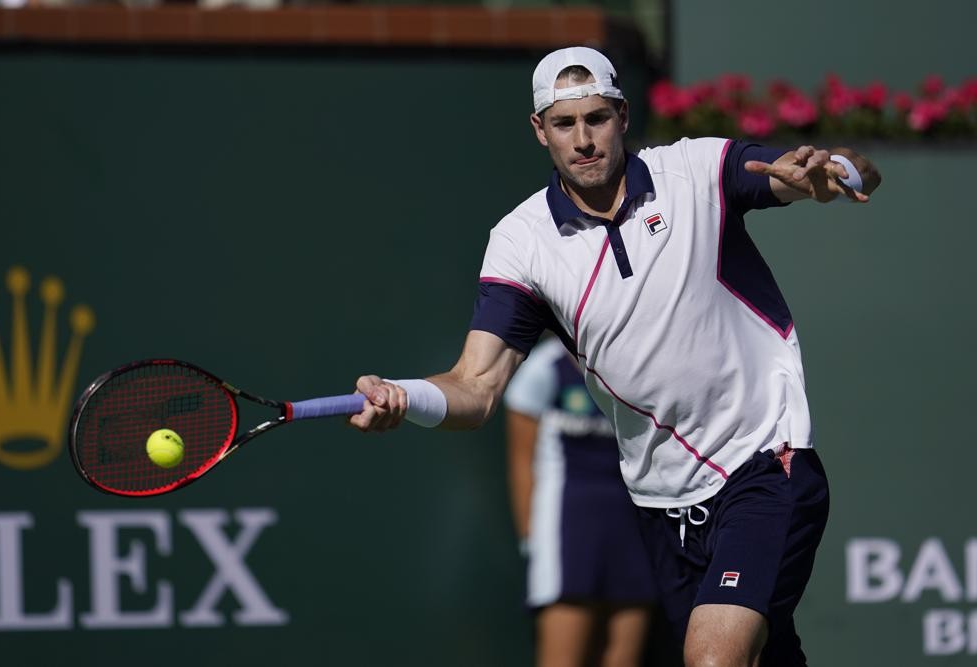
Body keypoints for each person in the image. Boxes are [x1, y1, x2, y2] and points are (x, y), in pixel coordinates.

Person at [349, 46, 881, 666]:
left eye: (596, 118)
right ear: (538, 129)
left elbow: (852, 171)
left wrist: (836, 170)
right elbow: (476, 386)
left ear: (623, 116)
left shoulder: (696, 170)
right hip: (662, 503)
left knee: (713, 658)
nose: (583, 140)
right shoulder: (520, 243)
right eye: (564, 123)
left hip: (764, 462)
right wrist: (405, 397)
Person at [505, 336, 654, 667]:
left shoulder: (637, 367)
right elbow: (521, 463)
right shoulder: (543, 369)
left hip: (632, 522)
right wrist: (532, 541)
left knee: (623, 657)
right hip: (566, 524)